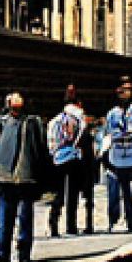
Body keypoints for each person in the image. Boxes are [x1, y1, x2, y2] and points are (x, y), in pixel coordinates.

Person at [0, 93, 49, 262]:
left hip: (26, 177)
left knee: (25, 216)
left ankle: (24, 252)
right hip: (5, 176)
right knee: (6, 215)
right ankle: (2, 252)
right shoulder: (4, 122)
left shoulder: (33, 123)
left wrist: (41, 174)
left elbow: (41, 149)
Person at [105, 78, 132, 233]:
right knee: (115, 188)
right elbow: (109, 132)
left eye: (128, 90)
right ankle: (113, 219)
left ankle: (131, 220)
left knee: (129, 190)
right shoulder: (112, 113)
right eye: (123, 90)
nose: (125, 94)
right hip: (117, 154)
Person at [47, 86, 86, 238]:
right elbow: (81, 137)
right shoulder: (79, 117)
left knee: (59, 192)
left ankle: (54, 222)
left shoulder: (55, 120)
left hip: (58, 157)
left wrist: (53, 152)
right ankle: (71, 225)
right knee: (72, 193)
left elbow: (50, 140)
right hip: (73, 156)